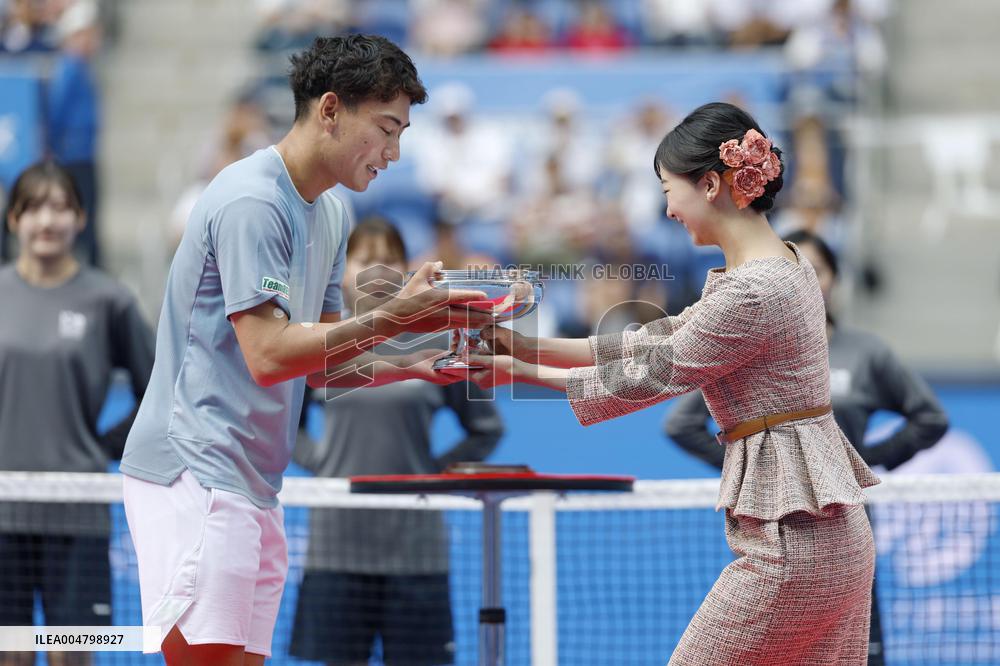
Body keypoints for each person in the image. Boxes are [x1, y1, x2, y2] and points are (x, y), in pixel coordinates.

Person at [459, 102, 882, 664]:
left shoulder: (752, 291)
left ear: (710, 184)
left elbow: (648, 373)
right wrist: (525, 347)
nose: (668, 209)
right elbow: (650, 342)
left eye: (667, 189)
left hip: (795, 547)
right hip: (826, 539)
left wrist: (519, 369)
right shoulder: (784, 265)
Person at [119, 35, 492, 666]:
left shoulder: (331, 215)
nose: (394, 154)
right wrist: (391, 316)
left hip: (254, 481)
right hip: (195, 470)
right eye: (385, 129)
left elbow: (319, 362)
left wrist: (411, 359)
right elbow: (268, 355)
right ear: (329, 111)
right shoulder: (251, 200)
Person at [664, 228, 949, 665]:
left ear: (832, 278)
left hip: (845, 512)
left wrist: (861, 460)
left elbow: (930, 418)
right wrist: (760, 465)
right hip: (778, 519)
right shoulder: (748, 337)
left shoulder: (867, 352)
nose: (808, 277)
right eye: (801, 268)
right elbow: (680, 421)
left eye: (818, 270)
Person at [290, 219, 504, 666]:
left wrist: (432, 472)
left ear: (406, 269)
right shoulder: (323, 342)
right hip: (336, 547)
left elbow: (486, 428)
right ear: (342, 270)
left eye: (389, 259)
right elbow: (285, 417)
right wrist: (323, 462)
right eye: (365, 260)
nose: (377, 270)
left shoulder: (439, 341)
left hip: (415, 552)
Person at [0, 160, 154, 666]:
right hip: (3, 511)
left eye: (61, 207)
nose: (48, 221)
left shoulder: (108, 300)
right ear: (14, 220)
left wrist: (103, 447)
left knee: (74, 655)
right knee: (12, 655)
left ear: (81, 218)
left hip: (77, 508)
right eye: (35, 208)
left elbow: (158, 390)